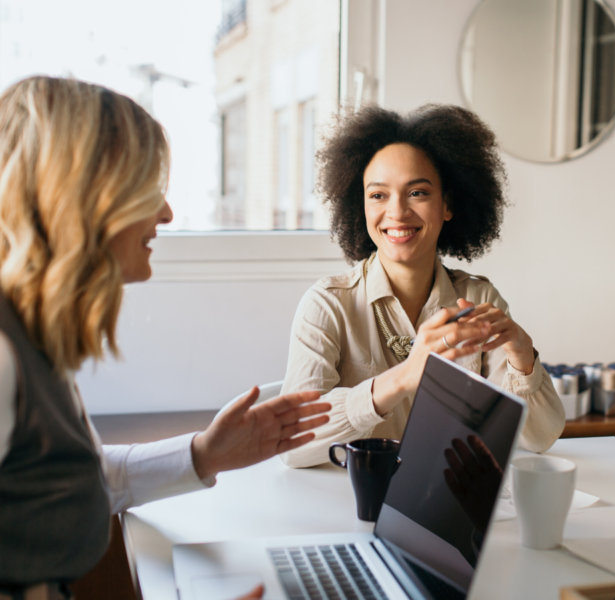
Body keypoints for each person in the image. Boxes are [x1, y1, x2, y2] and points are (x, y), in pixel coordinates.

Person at [0, 77, 330, 599]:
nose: (168, 213)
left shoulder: (33, 340)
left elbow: (75, 481)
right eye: (147, 189)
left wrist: (206, 455)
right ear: (87, 197)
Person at [279, 104, 566, 468]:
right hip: (348, 507)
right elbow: (291, 445)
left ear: (448, 204)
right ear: (361, 207)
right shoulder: (326, 305)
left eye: (417, 193)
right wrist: (403, 376)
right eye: (378, 195)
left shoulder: (478, 299)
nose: (397, 212)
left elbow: (539, 439)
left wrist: (523, 355)